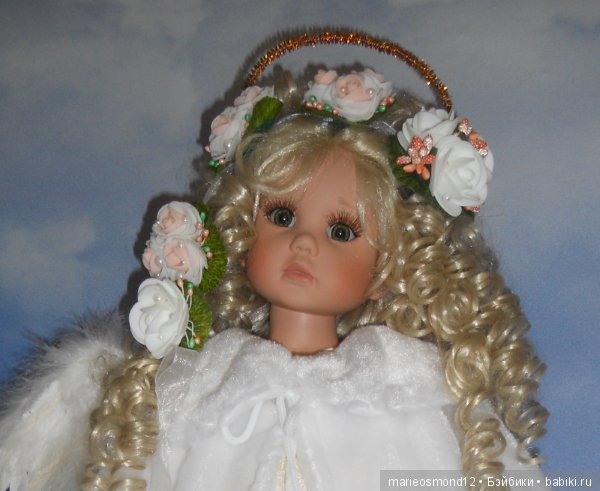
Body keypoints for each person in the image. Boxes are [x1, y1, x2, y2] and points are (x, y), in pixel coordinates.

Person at [0, 32, 548, 491]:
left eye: (341, 231)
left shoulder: (402, 384)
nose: (304, 243)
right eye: (282, 216)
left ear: (386, 272)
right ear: (244, 232)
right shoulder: (206, 382)